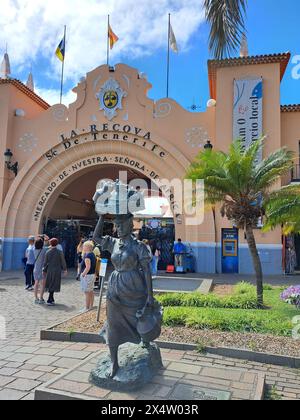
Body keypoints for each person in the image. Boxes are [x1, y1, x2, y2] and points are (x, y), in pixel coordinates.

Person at [93, 214, 154, 379]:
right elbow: (96, 237)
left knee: (138, 319)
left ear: (129, 226)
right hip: (115, 288)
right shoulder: (113, 243)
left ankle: (145, 342)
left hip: (134, 288)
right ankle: (114, 362)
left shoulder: (138, 246)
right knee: (112, 323)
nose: (117, 229)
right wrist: (101, 217)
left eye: (121, 225)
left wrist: (150, 295)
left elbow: (147, 271)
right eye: (116, 226)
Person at [43, 238, 67, 306]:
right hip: (57, 270)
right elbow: (63, 261)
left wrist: (44, 270)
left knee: (51, 283)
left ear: (50, 244)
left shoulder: (48, 252)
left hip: (49, 270)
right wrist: (65, 269)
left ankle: (51, 298)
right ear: (57, 244)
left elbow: (45, 262)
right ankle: (49, 299)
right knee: (53, 284)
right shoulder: (60, 252)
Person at [80, 241, 97, 312]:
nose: (83, 247)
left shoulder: (87, 256)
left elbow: (88, 267)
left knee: (87, 292)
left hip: (87, 275)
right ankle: (91, 306)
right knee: (91, 291)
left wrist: (83, 274)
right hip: (92, 275)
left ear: (87, 247)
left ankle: (86, 307)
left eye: (84, 246)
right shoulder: (92, 254)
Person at [33, 238, 47, 304]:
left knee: (36, 284)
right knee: (42, 284)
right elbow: (49, 246)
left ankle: (36, 298)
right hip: (42, 269)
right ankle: (41, 298)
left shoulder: (34, 249)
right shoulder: (44, 250)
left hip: (36, 268)